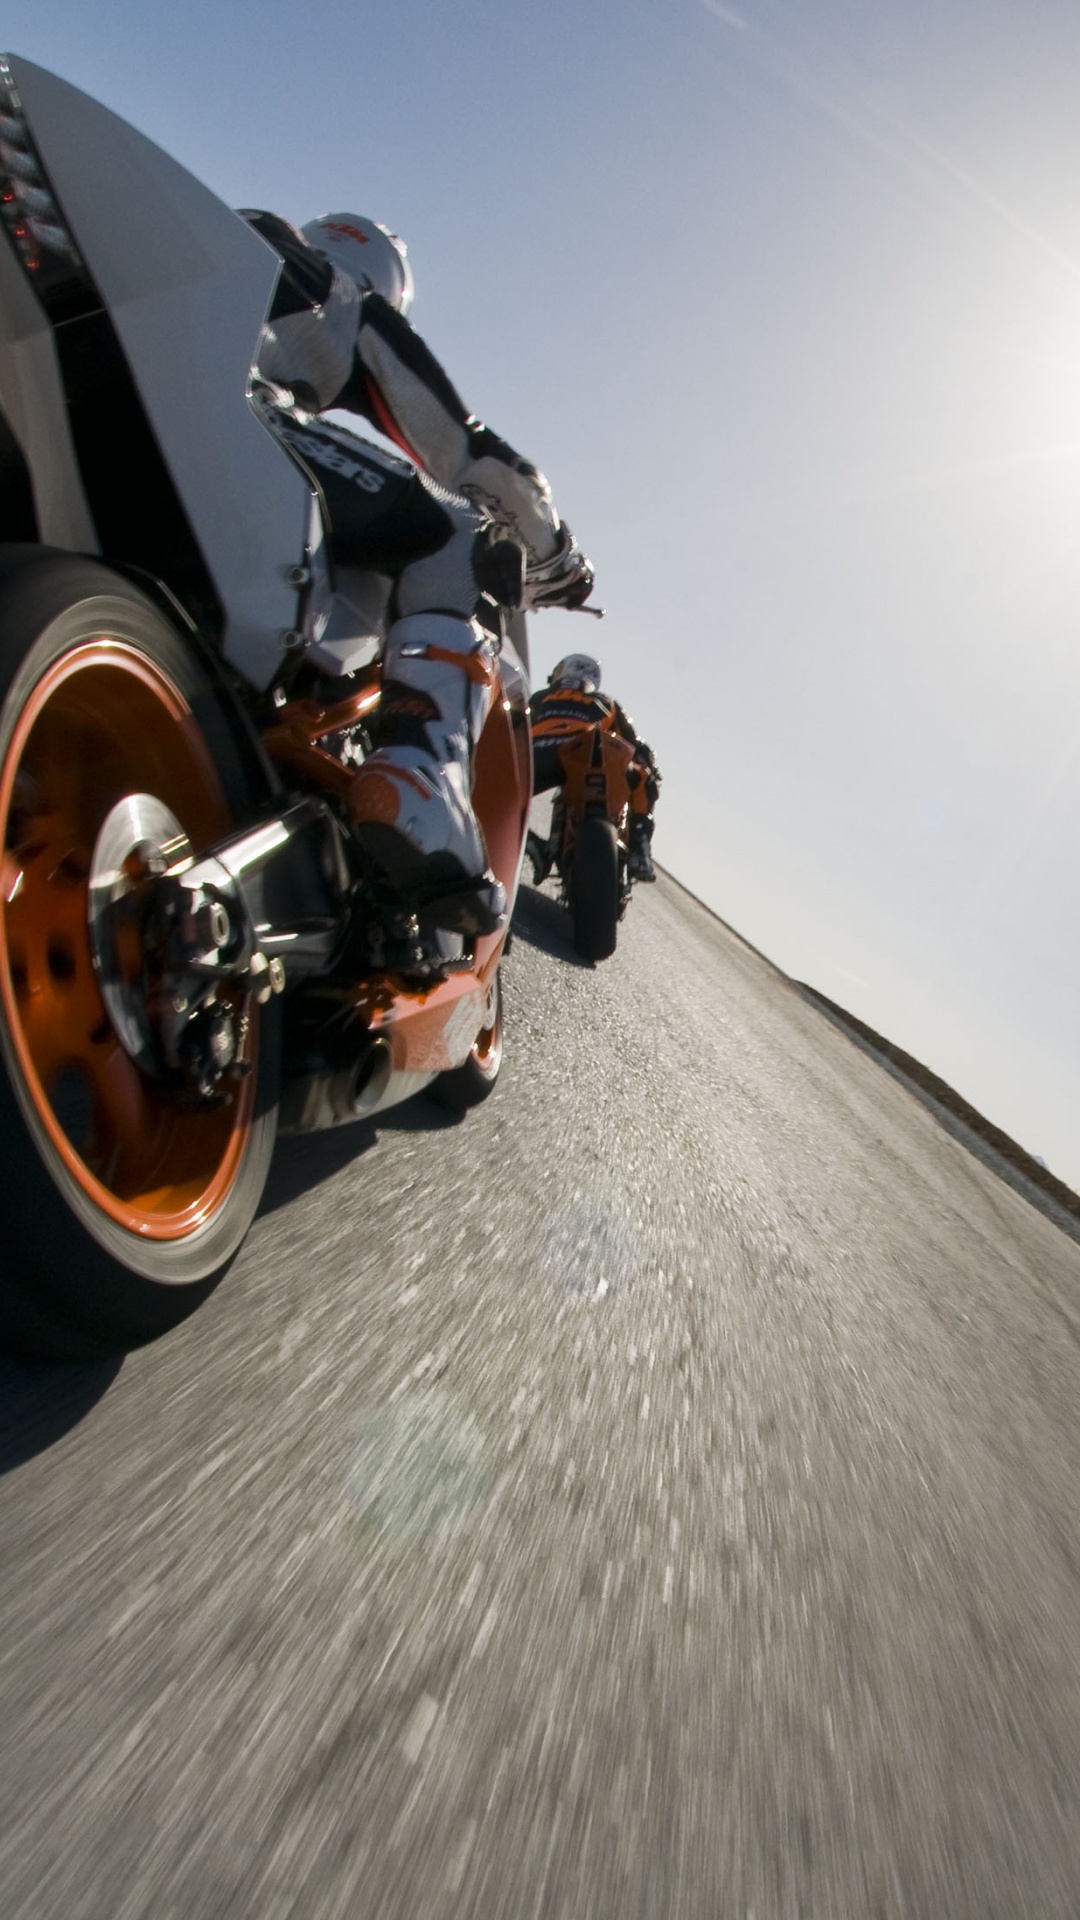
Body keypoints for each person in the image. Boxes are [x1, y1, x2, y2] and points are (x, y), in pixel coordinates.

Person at [240, 209, 594, 935]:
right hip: (234, 416)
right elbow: (463, 452)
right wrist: (556, 556)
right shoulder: (328, 291)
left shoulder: (202, 234)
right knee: (453, 530)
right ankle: (418, 767)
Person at [529, 654, 660, 882]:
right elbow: (635, 745)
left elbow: (511, 727)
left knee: (490, 797)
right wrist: (650, 766)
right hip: (585, 753)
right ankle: (640, 850)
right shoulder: (604, 701)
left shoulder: (540, 697)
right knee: (642, 776)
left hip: (536, 755)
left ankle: (529, 844)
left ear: (560, 673)